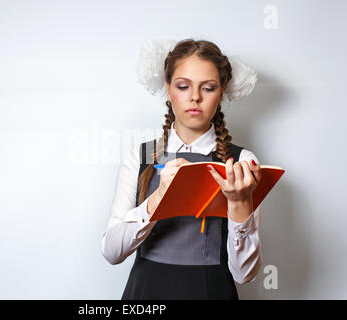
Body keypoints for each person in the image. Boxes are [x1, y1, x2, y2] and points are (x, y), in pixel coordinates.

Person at [101, 38, 263, 299]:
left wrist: (240, 203)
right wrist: (155, 201)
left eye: (208, 88)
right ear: (168, 89)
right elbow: (111, 252)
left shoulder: (243, 162)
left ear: (221, 93)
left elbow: (244, 275)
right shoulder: (139, 157)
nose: (195, 97)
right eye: (183, 86)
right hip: (147, 292)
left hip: (212, 292)